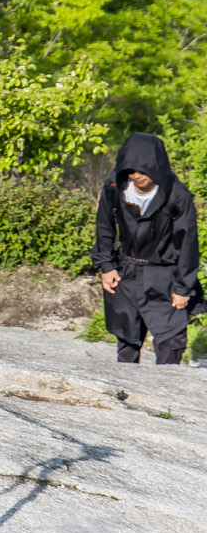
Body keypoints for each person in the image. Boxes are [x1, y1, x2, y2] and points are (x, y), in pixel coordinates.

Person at [95, 132, 200, 365]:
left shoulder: (177, 195)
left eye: (143, 170)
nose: (137, 176)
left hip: (166, 274)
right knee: (127, 337)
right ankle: (125, 394)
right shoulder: (115, 186)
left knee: (171, 338)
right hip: (125, 270)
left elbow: (187, 243)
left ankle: (166, 396)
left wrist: (184, 287)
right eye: (131, 171)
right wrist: (106, 265)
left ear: (157, 167)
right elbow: (104, 226)